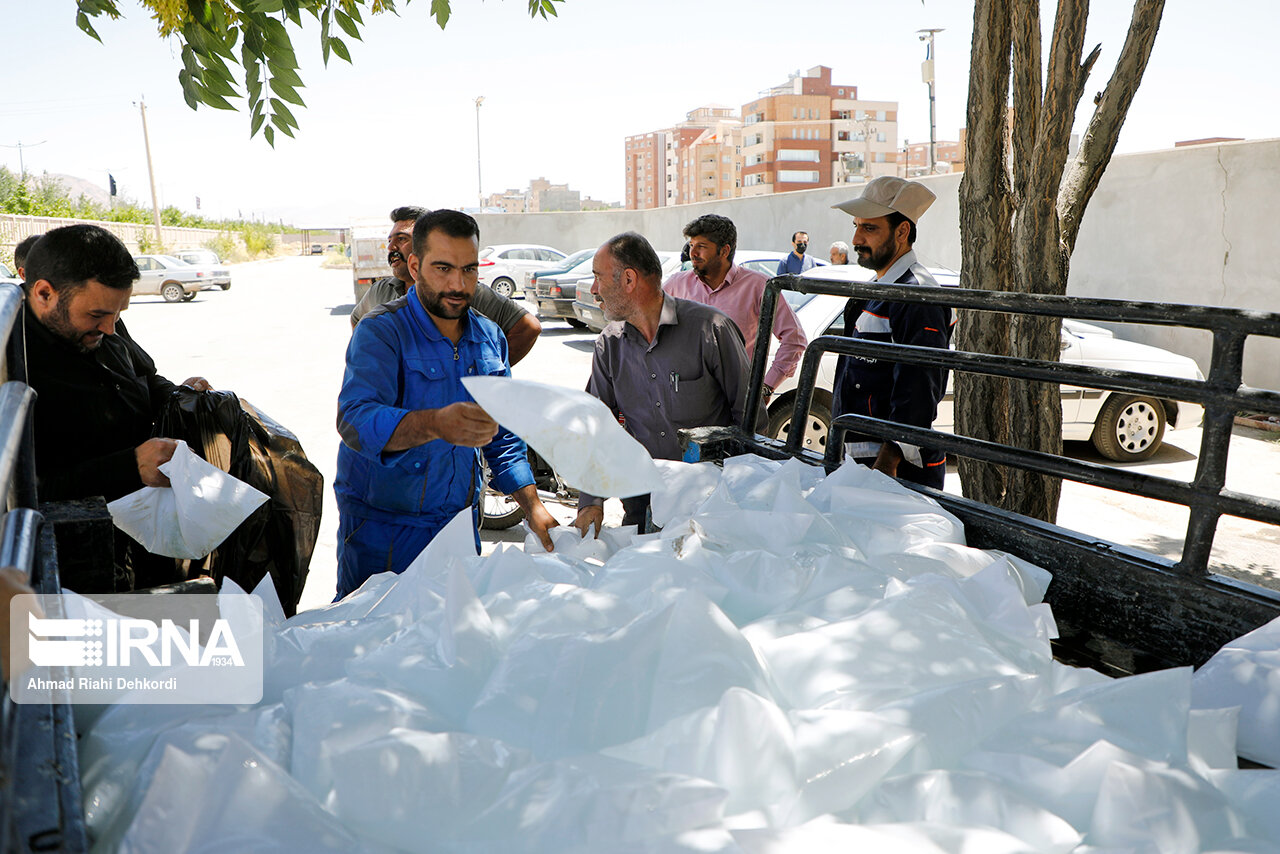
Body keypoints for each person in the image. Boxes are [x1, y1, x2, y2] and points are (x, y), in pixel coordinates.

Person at [335, 209, 557, 598]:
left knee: (453, 642)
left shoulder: (489, 337)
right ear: (415, 266)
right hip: (384, 530)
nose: (458, 284)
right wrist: (434, 424)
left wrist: (533, 505)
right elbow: (355, 419)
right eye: (444, 269)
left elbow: (501, 433)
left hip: (457, 524)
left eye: (469, 270)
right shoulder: (381, 332)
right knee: (377, 641)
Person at [23, 224, 212, 587]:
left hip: (143, 534)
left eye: (119, 314)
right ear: (44, 293)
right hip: (81, 562)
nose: (110, 329)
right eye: (96, 316)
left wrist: (177, 396)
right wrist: (127, 467)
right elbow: (27, 487)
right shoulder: (12, 361)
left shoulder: (102, 324)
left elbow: (142, 377)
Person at [573, 232, 751, 534]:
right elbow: (597, 427)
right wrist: (592, 500)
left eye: (598, 278)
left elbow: (750, 420)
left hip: (711, 512)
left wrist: (742, 496)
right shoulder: (609, 345)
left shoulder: (710, 330)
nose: (593, 290)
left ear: (629, 280)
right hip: (642, 509)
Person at [830, 176, 953, 489]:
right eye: (856, 226)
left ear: (902, 231)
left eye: (869, 228)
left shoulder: (918, 296)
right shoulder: (877, 287)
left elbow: (920, 387)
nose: (857, 238)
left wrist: (890, 456)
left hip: (895, 471)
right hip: (859, 460)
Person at [351, 206, 542, 364]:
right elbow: (359, 407)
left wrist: (487, 377)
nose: (392, 247)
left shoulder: (485, 324)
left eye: (401, 239)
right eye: (390, 240)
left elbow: (528, 327)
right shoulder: (378, 305)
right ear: (415, 266)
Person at [664, 214, 807, 404]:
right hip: (685, 401)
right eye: (691, 245)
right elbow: (651, 332)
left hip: (736, 403)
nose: (693, 253)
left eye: (701, 246)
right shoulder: (676, 284)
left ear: (724, 251)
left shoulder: (758, 286)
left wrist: (766, 387)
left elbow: (794, 338)